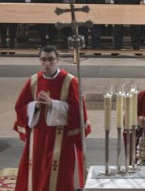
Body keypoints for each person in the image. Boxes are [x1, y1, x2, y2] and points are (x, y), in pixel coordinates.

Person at [14, 46, 90, 190]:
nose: (47, 64)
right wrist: (35, 106)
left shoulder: (70, 82)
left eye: (50, 60)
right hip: (37, 138)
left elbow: (78, 112)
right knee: (37, 172)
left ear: (58, 60)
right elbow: (20, 107)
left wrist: (53, 104)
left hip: (61, 140)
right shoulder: (33, 81)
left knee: (58, 176)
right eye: (43, 60)